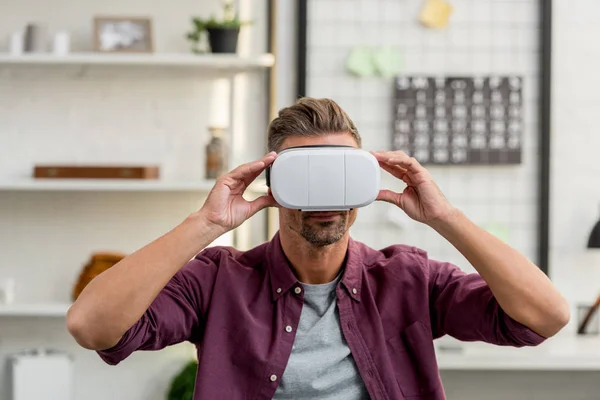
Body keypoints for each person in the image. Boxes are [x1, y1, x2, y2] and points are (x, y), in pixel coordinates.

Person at [66, 97, 570, 400]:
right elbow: (92, 326)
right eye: (306, 177)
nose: (325, 198)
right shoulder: (219, 280)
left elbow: (545, 316)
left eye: (339, 175)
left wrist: (445, 217)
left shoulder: (408, 278)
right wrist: (207, 223)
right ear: (273, 181)